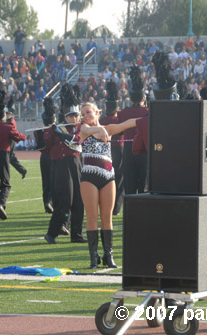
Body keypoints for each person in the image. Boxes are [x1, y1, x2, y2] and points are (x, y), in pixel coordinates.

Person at [79, 102, 137, 269]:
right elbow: (89, 130)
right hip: (89, 176)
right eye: (83, 114)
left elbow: (126, 124)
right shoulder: (84, 129)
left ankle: (108, 255)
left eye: (88, 112)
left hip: (108, 176)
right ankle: (93, 256)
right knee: (91, 217)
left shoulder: (109, 128)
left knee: (107, 217)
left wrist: (146, 118)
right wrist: (102, 129)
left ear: (97, 112)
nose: (86, 116)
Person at [44, 84, 86, 244]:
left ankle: (76, 234)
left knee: (79, 201)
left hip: (77, 164)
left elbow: (78, 141)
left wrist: (59, 134)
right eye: (70, 116)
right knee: (64, 200)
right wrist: (47, 132)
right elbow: (44, 148)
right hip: (61, 167)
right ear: (65, 116)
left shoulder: (81, 128)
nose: (74, 119)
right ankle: (52, 233)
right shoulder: (57, 129)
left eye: (76, 116)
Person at [0, 90, 26, 221]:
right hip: (3, 156)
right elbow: (20, 138)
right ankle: (1, 204)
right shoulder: (8, 128)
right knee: (6, 184)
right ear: (3, 116)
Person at [118, 66, 148, 195]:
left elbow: (119, 132)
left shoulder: (123, 113)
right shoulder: (148, 112)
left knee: (129, 183)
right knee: (143, 183)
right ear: (143, 99)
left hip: (128, 149)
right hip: (144, 149)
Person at [99, 80, 125, 215]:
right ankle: (116, 207)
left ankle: (106, 205)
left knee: (107, 177)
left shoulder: (102, 120)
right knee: (119, 178)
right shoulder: (119, 119)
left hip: (105, 150)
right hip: (118, 149)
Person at [35, 97, 56, 214]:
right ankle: (51, 202)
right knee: (55, 181)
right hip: (53, 157)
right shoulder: (56, 130)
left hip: (43, 158)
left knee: (46, 182)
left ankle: (46, 204)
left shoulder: (39, 131)